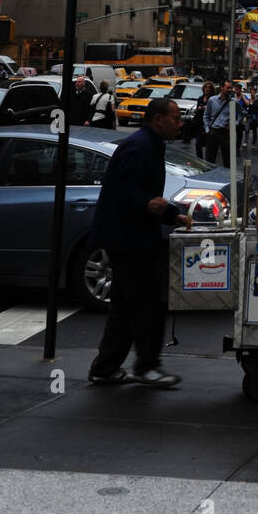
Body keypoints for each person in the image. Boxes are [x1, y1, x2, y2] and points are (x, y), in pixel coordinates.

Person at [87, 97, 191, 388]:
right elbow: (126, 193)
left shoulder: (149, 145)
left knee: (125, 305)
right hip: (129, 239)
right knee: (148, 304)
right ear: (159, 119)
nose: (180, 123)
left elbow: (139, 195)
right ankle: (146, 366)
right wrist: (152, 205)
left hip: (129, 236)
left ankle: (105, 368)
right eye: (176, 117)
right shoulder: (140, 147)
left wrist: (173, 214)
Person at [203, 80, 233, 165]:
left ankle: (228, 177)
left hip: (225, 132)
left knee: (227, 159)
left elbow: (242, 113)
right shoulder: (212, 100)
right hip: (213, 131)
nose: (230, 90)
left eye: (231, 88)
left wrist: (235, 124)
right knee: (210, 159)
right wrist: (207, 130)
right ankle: (209, 176)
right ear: (222, 88)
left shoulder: (232, 102)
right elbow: (206, 116)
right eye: (228, 88)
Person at [192, 80, 215, 158]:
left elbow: (214, 110)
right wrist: (198, 109)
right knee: (198, 143)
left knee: (208, 144)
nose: (207, 89)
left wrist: (206, 108)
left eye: (209, 87)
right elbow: (197, 110)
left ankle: (208, 160)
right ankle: (200, 159)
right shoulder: (200, 98)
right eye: (206, 87)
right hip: (199, 123)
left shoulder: (212, 99)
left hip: (208, 123)